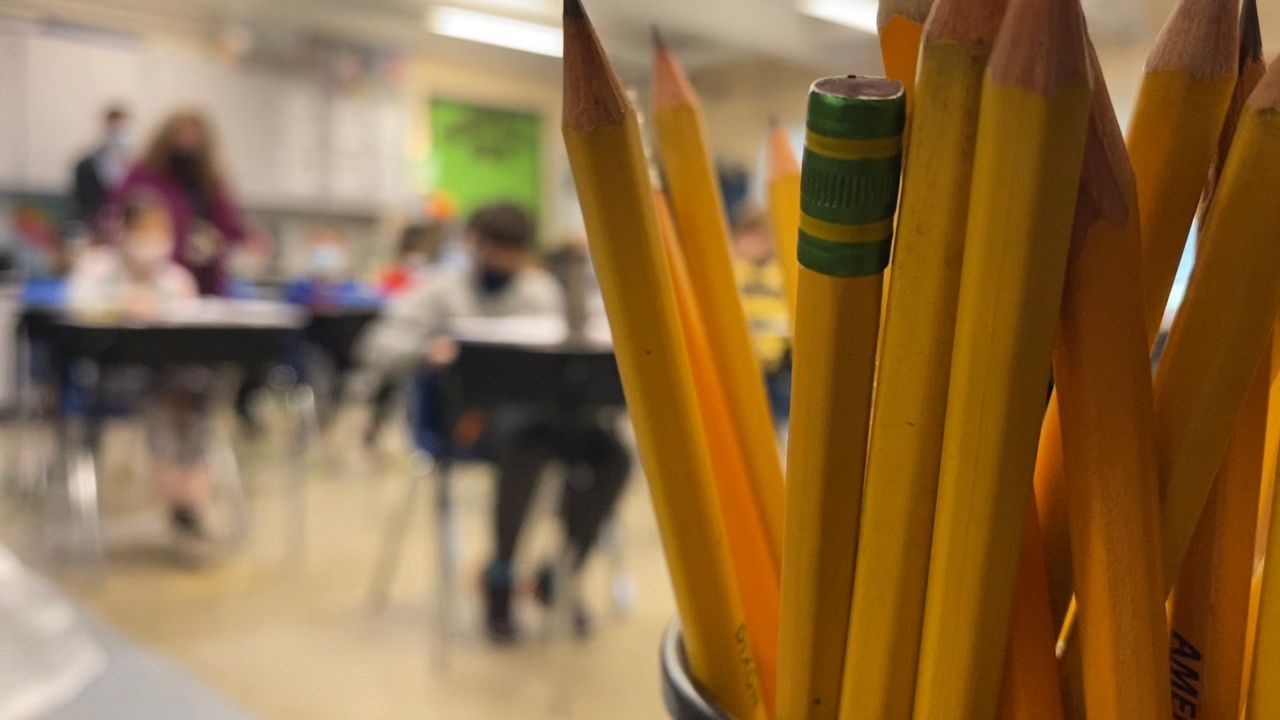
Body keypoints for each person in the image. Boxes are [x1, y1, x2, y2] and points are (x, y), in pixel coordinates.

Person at [358, 203, 631, 641]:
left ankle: (559, 572)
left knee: (612, 455)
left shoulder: (541, 291)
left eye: (513, 252)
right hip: (469, 423)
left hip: (544, 415)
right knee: (526, 449)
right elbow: (376, 345)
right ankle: (500, 576)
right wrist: (429, 348)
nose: (503, 261)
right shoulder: (438, 291)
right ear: (473, 242)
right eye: (494, 249)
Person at [67, 195, 215, 560]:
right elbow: (74, 317)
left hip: (169, 382)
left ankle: (186, 493)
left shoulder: (178, 279)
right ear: (124, 231)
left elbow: (191, 332)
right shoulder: (96, 268)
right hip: (108, 378)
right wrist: (123, 303)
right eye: (145, 230)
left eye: (161, 231)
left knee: (194, 388)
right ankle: (177, 493)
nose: (154, 240)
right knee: (164, 396)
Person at [109, 111, 246, 296]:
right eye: (182, 135)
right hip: (149, 271)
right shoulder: (143, 174)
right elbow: (117, 214)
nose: (187, 144)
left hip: (200, 277)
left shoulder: (211, 182)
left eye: (194, 138)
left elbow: (230, 228)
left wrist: (214, 241)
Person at [731, 205, 792, 424]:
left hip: (775, 362)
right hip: (741, 361)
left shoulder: (781, 270)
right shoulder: (732, 269)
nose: (748, 244)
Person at [70, 105, 131, 225]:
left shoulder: (136, 169)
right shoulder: (85, 166)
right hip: (94, 226)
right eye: (113, 130)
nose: (117, 135)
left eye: (121, 131)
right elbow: (82, 206)